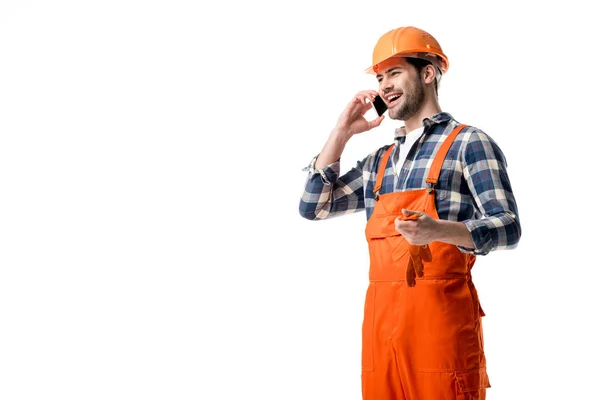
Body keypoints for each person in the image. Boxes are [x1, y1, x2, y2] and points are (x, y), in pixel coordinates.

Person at [299, 26, 521, 400]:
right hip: (380, 329)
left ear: (428, 73)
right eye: (380, 77)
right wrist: (342, 132)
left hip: (440, 328)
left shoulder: (468, 143)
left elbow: (507, 226)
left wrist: (439, 231)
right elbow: (313, 207)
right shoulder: (379, 161)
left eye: (395, 72)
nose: (384, 85)